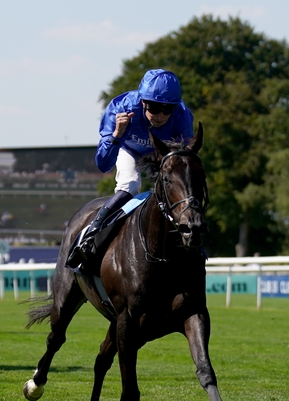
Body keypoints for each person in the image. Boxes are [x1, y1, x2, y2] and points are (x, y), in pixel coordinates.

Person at [67, 69, 195, 267]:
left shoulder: (183, 117)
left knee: (183, 187)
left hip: (161, 153)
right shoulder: (121, 107)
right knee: (131, 184)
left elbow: (184, 161)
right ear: (143, 102)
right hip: (129, 150)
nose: (160, 115)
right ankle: (93, 232)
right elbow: (103, 164)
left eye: (167, 109)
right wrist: (117, 134)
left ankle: (194, 237)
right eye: (154, 107)